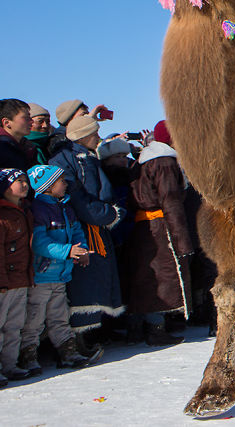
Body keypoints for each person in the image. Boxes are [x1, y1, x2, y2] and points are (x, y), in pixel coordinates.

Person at [48, 116, 125, 344]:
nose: (98, 138)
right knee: (83, 283)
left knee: (98, 280)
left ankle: (96, 329)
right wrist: (106, 214)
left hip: (96, 228)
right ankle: (79, 337)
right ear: (82, 135)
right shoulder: (64, 159)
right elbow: (76, 197)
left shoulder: (87, 156)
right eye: (94, 133)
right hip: (80, 229)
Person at [21, 165, 94, 374]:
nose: (66, 184)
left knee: (60, 316)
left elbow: (77, 231)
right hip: (42, 276)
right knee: (34, 318)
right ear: (47, 186)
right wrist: (67, 251)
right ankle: (27, 355)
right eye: (61, 181)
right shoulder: (38, 209)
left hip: (61, 275)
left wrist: (81, 250)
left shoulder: (65, 207)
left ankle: (68, 352)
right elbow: (39, 243)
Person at [125, 120, 192, 345]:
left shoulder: (144, 160)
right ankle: (156, 329)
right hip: (161, 226)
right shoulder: (164, 162)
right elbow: (170, 201)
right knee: (163, 276)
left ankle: (136, 328)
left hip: (144, 226)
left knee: (145, 275)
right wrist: (182, 241)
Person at [0, 169, 33, 384]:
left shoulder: (25, 210)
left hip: (21, 279)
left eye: (25, 180)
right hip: (5, 282)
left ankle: (10, 365)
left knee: (14, 326)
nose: (24, 184)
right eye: (18, 181)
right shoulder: (3, 215)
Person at [0, 99, 36, 171]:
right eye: (26, 118)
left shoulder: (28, 147)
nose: (32, 121)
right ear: (7, 122)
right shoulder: (2, 148)